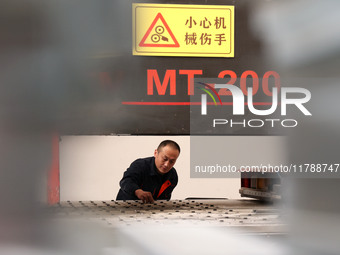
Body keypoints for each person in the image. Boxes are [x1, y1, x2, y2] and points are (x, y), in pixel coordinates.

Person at [116, 140, 180, 203]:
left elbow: (164, 201)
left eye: (172, 161)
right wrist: (138, 191)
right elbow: (125, 181)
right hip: (125, 208)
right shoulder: (140, 165)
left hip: (151, 211)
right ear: (156, 153)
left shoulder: (172, 177)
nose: (167, 164)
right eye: (164, 159)